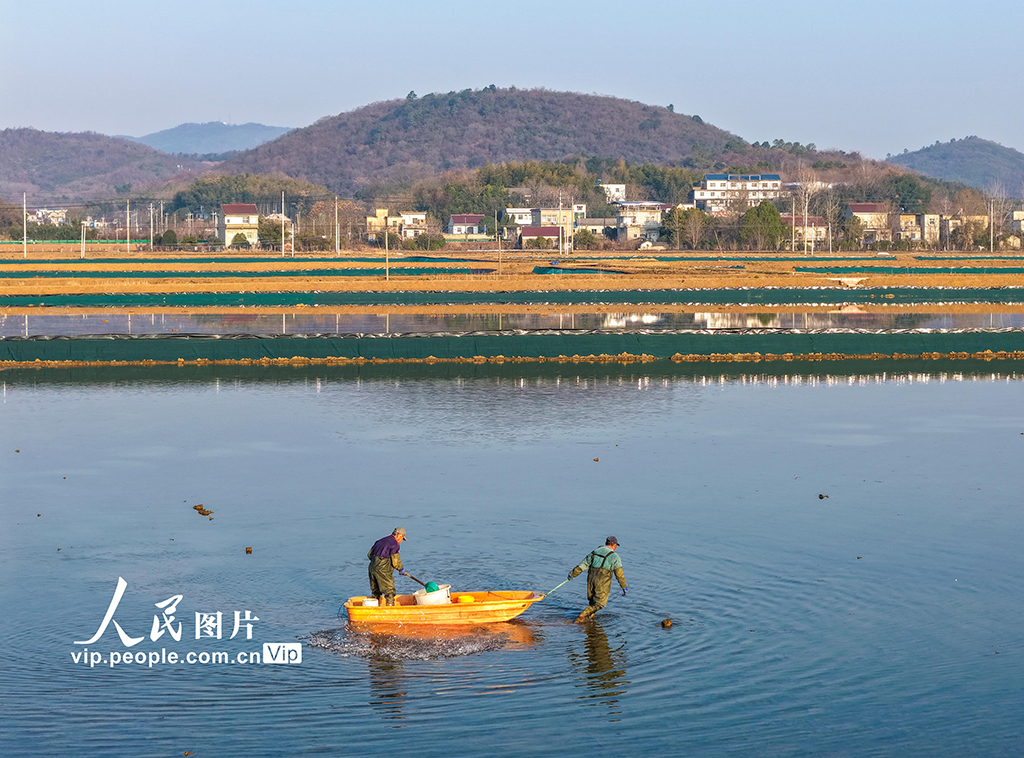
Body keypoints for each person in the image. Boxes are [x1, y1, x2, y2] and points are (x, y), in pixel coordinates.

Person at [567, 536, 627, 623]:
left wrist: (573, 574)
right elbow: (619, 575)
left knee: (592, 602)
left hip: (591, 579)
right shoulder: (615, 557)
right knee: (600, 604)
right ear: (614, 545)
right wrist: (624, 587)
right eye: (616, 546)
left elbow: (583, 565)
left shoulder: (595, 552)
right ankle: (582, 615)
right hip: (602, 581)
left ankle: (590, 620)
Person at [367, 527, 407, 606]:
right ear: (398, 535)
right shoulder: (394, 544)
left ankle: (374, 607)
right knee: (389, 591)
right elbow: (395, 562)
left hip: (372, 567)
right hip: (383, 570)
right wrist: (401, 569)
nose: (401, 541)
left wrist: (376, 563)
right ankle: (390, 609)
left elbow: (369, 555)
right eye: (402, 538)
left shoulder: (380, 541)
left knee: (376, 591)